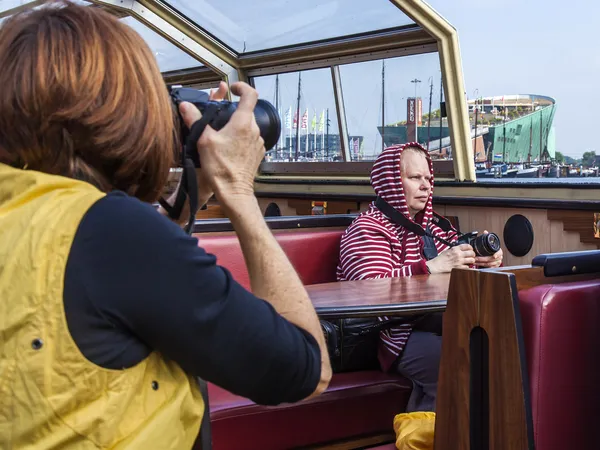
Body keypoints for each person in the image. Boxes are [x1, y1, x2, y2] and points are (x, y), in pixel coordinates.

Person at [0, 2, 331, 449]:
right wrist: (237, 188)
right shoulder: (111, 233)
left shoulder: (30, 213)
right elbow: (305, 368)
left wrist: (179, 209)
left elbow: (100, 287)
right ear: (116, 113)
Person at [336, 142, 502, 412]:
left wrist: (483, 262)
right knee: (458, 363)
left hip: (432, 323)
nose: (426, 186)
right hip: (388, 335)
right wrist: (430, 267)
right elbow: (369, 291)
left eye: (428, 178)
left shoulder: (432, 226)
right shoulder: (367, 229)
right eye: (414, 178)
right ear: (390, 182)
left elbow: (455, 266)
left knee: (497, 350)